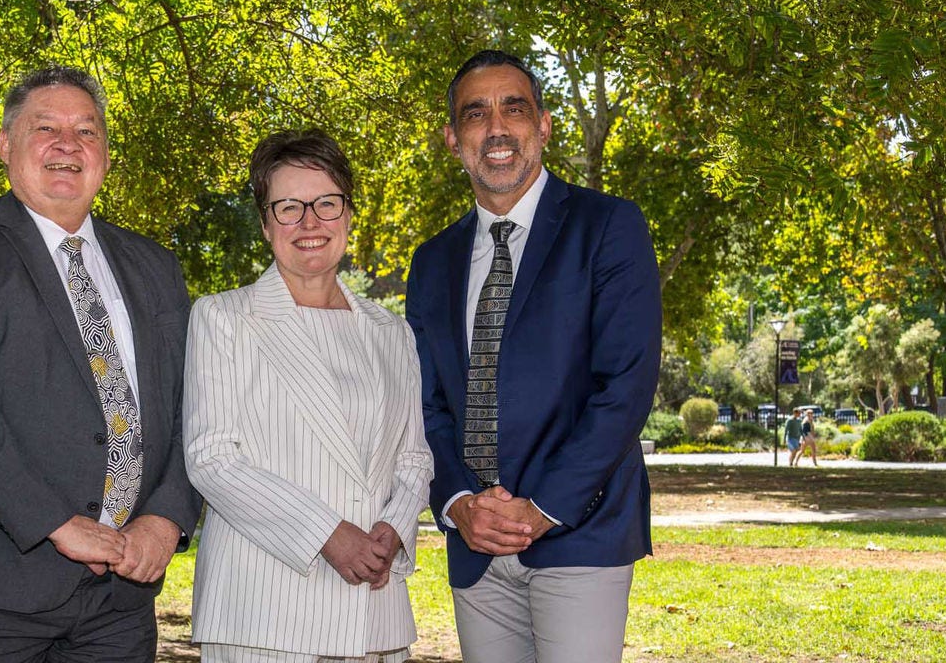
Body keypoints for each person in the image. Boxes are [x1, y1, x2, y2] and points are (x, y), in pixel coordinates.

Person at [0, 66, 202, 662]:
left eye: (86, 131)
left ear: (105, 154)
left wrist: (167, 516)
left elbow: (197, 405)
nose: (68, 144)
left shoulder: (156, 267)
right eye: (46, 128)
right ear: (6, 145)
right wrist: (57, 522)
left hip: (122, 596)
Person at [406, 50, 663, 663]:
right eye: (475, 114)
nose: (496, 128)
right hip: (474, 544)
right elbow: (425, 401)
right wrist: (458, 503)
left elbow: (625, 384)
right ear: (452, 138)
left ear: (542, 125)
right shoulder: (431, 261)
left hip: (582, 530)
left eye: (513, 108)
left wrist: (542, 509)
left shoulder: (608, 227)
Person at [184, 129, 434, 662]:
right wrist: (328, 534)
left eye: (326, 203)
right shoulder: (223, 317)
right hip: (263, 610)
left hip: (374, 610)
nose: (310, 222)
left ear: (348, 214)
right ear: (265, 223)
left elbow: (414, 457)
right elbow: (212, 459)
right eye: (289, 207)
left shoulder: (393, 332)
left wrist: (392, 529)